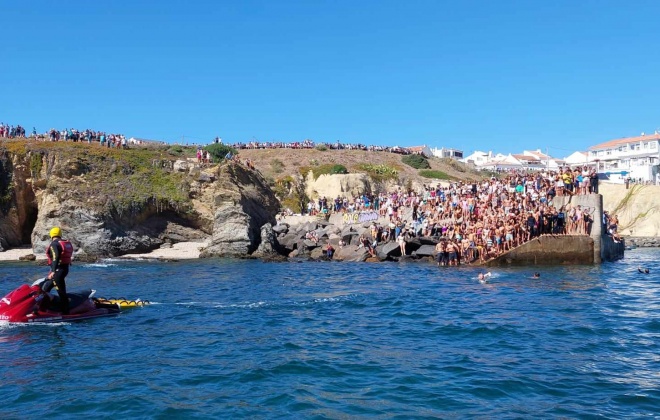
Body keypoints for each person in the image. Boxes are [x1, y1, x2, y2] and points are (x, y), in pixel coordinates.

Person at [42, 227, 74, 314]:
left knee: (61, 291)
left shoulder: (54, 244)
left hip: (58, 271)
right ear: (60, 234)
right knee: (45, 288)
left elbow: (55, 258)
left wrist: (53, 271)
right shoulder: (64, 243)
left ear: (51, 235)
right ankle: (44, 308)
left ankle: (66, 312)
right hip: (64, 269)